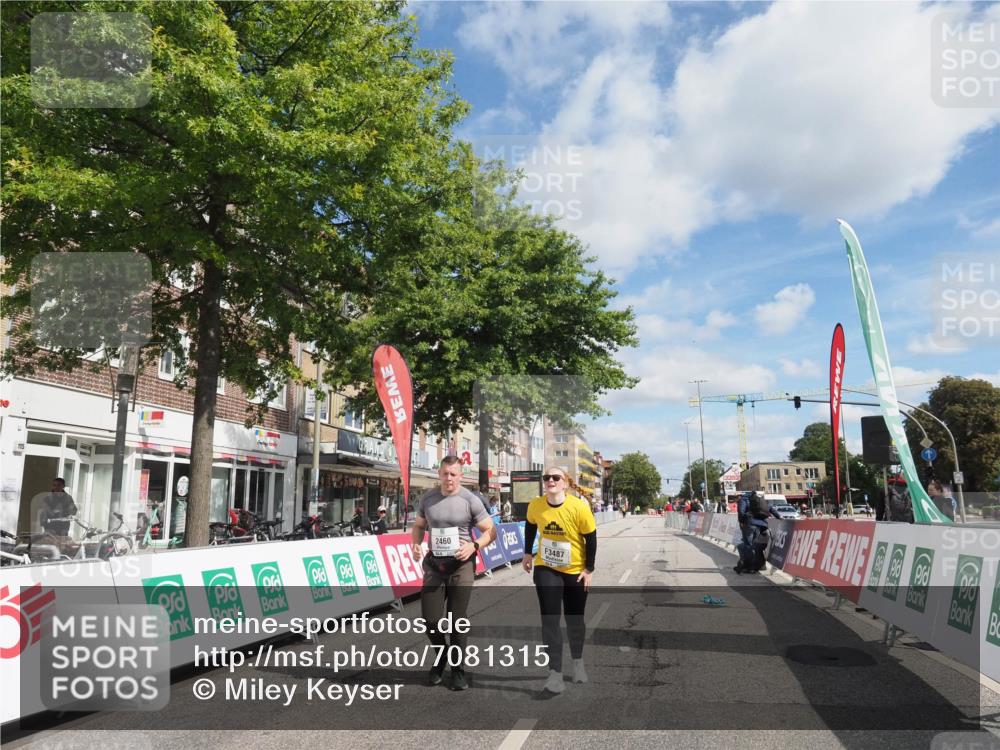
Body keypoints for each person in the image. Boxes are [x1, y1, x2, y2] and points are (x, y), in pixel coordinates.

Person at [411, 456, 496, 691]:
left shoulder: (470, 500)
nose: (448, 478)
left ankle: (458, 670)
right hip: (434, 565)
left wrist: (474, 546)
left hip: (461, 564)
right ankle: (442, 656)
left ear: (460, 476)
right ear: (439, 474)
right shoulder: (428, 498)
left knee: (456, 620)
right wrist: (416, 544)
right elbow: (419, 526)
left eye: (453, 474)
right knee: (430, 619)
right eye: (445, 473)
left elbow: (491, 531)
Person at [521, 467, 596, 695]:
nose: (550, 481)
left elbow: (591, 538)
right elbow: (530, 525)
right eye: (547, 478)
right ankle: (555, 673)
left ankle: (578, 661)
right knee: (550, 619)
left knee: (575, 620)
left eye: (556, 478)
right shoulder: (536, 505)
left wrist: (589, 569)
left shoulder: (578, 507)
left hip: (574, 570)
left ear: (565, 483)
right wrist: (527, 553)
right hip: (547, 567)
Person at [734, 491, 768, 574]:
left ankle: (750, 567)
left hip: (749, 524)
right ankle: (757, 566)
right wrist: (778, 516)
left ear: (740, 496)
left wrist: (742, 522)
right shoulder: (759, 500)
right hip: (760, 525)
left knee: (748, 545)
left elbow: (741, 512)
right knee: (754, 545)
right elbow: (769, 508)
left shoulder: (743, 499)